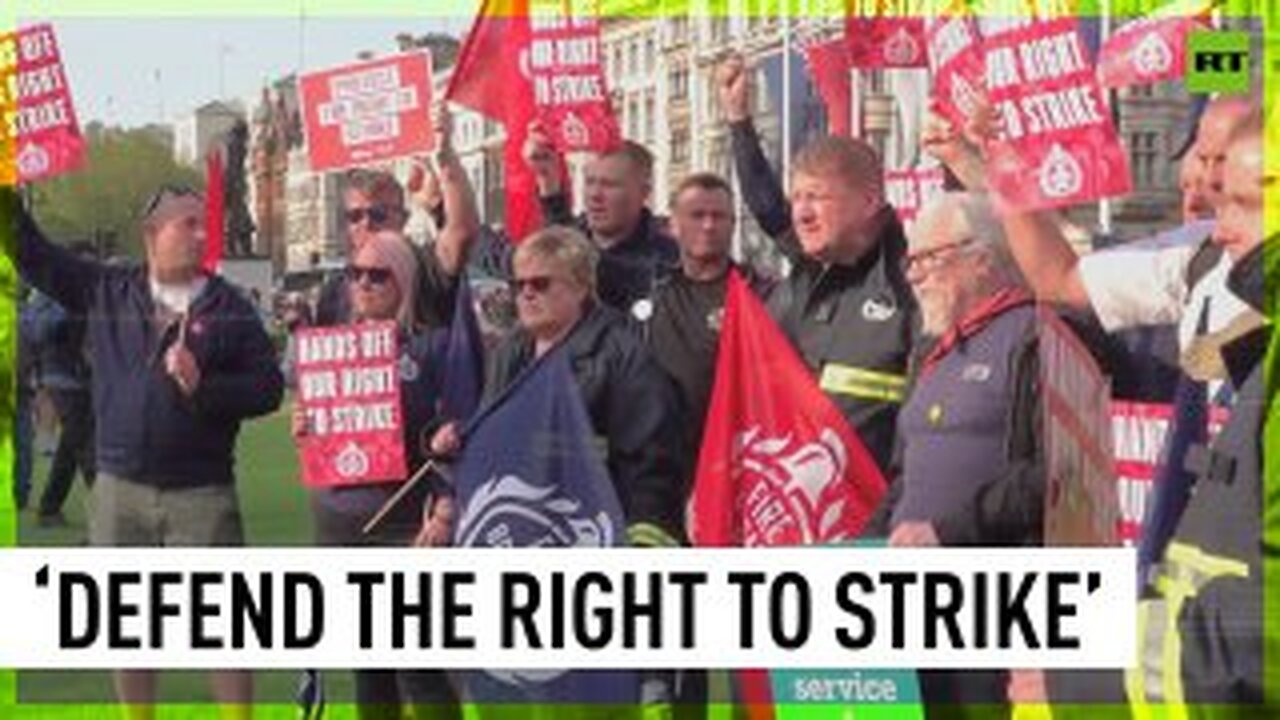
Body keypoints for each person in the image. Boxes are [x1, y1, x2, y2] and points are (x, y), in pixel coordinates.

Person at [9, 184, 284, 719]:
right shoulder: (108, 289)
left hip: (201, 491)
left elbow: (267, 388)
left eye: (203, 224)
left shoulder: (227, 305)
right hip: (119, 489)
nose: (202, 234)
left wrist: (203, 386)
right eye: (189, 224)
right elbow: (35, 256)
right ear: (152, 235)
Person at [866, 192, 1046, 718]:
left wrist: (949, 529)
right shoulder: (931, 350)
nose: (915, 275)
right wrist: (862, 547)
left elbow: (1057, 474)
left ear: (982, 257)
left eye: (929, 258)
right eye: (911, 261)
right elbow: (905, 476)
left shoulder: (1038, 335)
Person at [717, 53, 919, 475]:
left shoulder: (912, 280)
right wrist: (738, 119)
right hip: (799, 498)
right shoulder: (811, 265)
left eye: (817, 198)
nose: (801, 213)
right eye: (798, 198)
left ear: (868, 203)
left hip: (875, 516)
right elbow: (765, 204)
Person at [291, 231, 461, 720]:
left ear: (404, 280)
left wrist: (446, 504)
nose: (364, 283)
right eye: (356, 273)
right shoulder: (329, 350)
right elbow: (328, 435)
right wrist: (307, 425)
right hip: (339, 525)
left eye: (378, 274)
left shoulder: (433, 348)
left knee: (420, 668)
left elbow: (458, 430)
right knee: (370, 668)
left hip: (406, 526)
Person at [636, 172, 772, 488]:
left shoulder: (761, 295)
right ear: (673, 225)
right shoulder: (651, 294)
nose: (709, 225)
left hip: (737, 466)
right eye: (697, 216)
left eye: (719, 216)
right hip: (664, 471)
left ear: (733, 224)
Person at [315, 107, 479, 330]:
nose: (366, 223)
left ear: (403, 219)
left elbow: (462, 233)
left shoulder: (424, 268)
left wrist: (445, 156)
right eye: (355, 216)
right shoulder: (334, 291)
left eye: (378, 214)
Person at [521, 124, 680, 314]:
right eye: (590, 182)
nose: (595, 194)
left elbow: (611, 274)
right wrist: (547, 177)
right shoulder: (567, 236)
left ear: (643, 193)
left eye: (609, 184)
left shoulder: (668, 258)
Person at [27, 282, 96, 527]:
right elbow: (39, 331)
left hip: (78, 378)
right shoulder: (50, 294)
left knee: (71, 447)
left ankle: (49, 508)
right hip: (63, 379)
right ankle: (111, 518)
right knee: (90, 450)